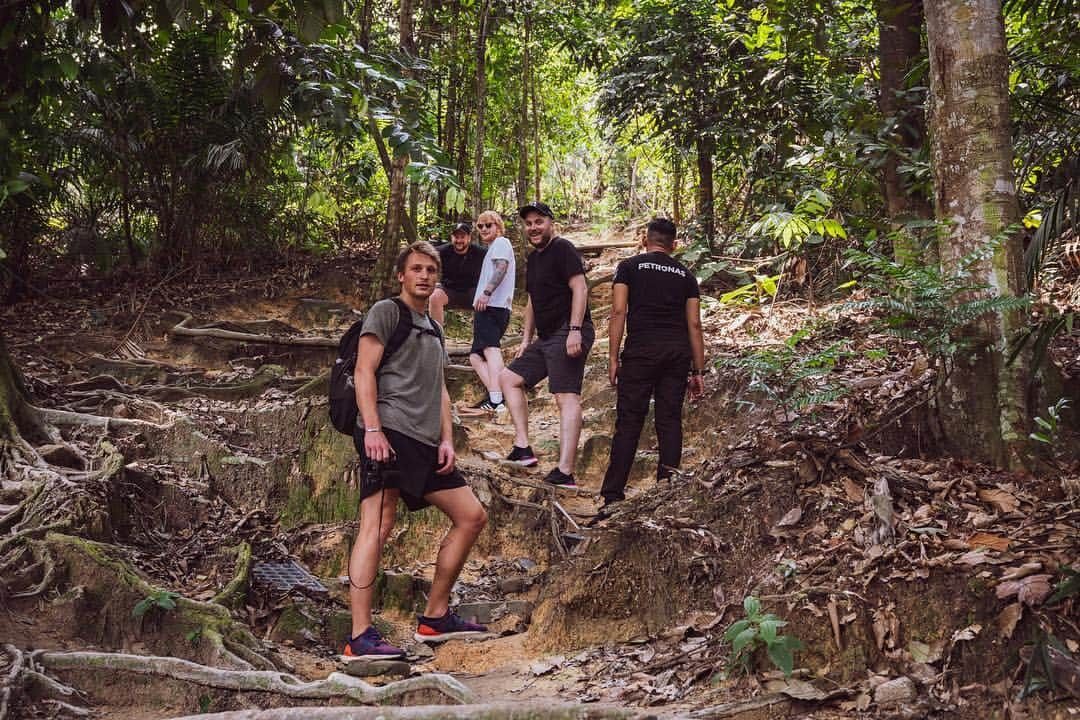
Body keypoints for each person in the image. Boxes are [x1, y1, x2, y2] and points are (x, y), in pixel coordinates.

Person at [343, 240, 489, 661]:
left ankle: (435, 617)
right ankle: (359, 636)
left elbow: (439, 387)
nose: (424, 275)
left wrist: (447, 438)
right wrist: (372, 429)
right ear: (402, 275)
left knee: (471, 516)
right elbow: (363, 370)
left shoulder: (435, 327)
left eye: (430, 269)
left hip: (425, 442)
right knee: (378, 522)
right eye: (417, 269)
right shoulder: (387, 313)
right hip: (388, 431)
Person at [597, 218, 705, 518]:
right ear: (674, 245)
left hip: (640, 351)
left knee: (629, 422)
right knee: (669, 420)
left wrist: (613, 357)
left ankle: (613, 496)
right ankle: (667, 488)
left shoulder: (629, 267)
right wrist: (698, 371)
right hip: (676, 353)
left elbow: (619, 311)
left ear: (645, 240)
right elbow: (694, 325)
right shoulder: (686, 276)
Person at [499, 201, 593, 488]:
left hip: (568, 329)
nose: (533, 228)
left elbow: (580, 287)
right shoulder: (534, 258)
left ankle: (565, 472)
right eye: (529, 223)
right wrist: (527, 340)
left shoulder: (562, 248)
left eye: (539, 221)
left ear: (551, 222)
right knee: (509, 378)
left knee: (566, 397)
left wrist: (575, 330)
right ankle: (524, 448)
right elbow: (532, 302)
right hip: (547, 335)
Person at [469, 210, 516, 412]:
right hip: (490, 307)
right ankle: (496, 396)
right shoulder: (493, 247)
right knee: (475, 356)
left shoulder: (501, 243)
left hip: (492, 306)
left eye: (489, 225)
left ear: (498, 226)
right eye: (480, 226)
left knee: (490, 350)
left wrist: (487, 292)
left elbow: (502, 267)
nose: (484, 229)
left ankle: (497, 400)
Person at [429, 223, 485, 326]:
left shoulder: (481, 253)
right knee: (434, 297)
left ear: (469, 238)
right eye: (456, 237)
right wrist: (433, 283)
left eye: (462, 237)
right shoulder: (442, 251)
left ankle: (483, 339)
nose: (459, 241)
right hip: (449, 290)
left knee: (487, 299)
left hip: (472, 292)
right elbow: (426, 261)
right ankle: (436, 337)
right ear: (451, 237)